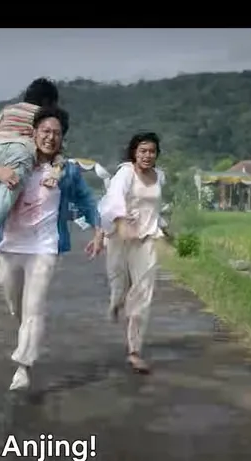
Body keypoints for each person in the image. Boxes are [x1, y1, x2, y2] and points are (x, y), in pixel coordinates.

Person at [0, 107, 104, 391]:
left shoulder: (67, 171)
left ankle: (23, 366)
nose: (50, 138)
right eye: (45, 132)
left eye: (57, 133)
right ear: (34, 133)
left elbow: (87, 201)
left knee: (34, 307)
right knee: (16, 307)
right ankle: (27, 336)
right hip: (9, 246)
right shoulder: (18, 163)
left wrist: (99, 230)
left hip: (44, 247)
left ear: (63, 138)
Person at [0, 78, 63, 272]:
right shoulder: (41, 116)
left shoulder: (7, 110)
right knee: (11, 186)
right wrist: (56, 170)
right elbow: (53, 149)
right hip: (19, 149)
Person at [98, 132, 166, 374]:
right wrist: (120, 223)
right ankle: (116, 302)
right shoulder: (125, 173)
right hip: (120, 237)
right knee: (119, 286)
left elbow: (155, 208)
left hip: (146, 239)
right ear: (134, 153)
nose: (147, 155)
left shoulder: (160, 177)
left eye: (152, 151)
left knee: (142, 293)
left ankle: (134, 350)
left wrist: (165, 228)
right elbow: (113, 198)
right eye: (143, 151)